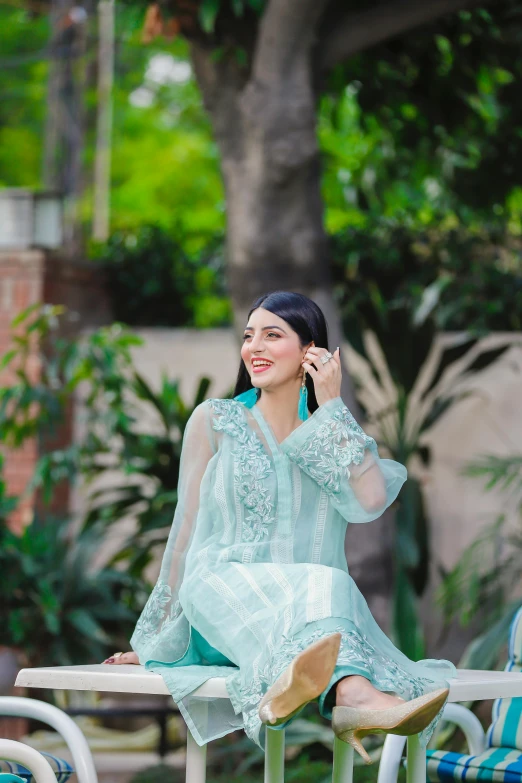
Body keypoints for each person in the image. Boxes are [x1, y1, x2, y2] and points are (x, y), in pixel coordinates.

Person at [104, 291, 455, 762]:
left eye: (273, 335)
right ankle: (343, 696)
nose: (255, 347)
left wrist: (331, 406)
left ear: (311, 351)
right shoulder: (216, 420)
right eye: (249, 336)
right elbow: (183, 530)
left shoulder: (328, 432)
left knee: (327, 584)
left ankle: (338, 691)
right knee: (327, 583)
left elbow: (371, 499)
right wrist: (155, 638)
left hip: (309, 611)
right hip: (220, 593)